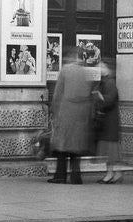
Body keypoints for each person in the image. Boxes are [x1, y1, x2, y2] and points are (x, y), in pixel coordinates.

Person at [48, 45, 93, 185]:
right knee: (75, 148)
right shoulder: (86, 73)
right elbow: (89, 95)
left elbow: (57, 94)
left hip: (66, 113)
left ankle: (60, 176)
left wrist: (53, 111)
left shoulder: (65, 71)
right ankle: (76, 176)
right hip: (81, 115)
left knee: (62, 147)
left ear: (72, 56)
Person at [93, 58, 122, 183]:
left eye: (101, 66)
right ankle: (114, 173)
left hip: (110, 121)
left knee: (110, 150)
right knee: (110, 150)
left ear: (107, 68)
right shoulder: (105, 81)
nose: (99, 69)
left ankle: (111, 174)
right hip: (108, 121)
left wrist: (100, 96)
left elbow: (110, 99)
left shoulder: (109, 82)